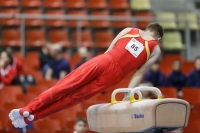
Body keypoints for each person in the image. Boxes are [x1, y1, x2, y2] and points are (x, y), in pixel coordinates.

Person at [9, 22, 164, 128]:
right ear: (158, 38)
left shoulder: (129, 30)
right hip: (113, 77)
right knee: (71, 99)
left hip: (103, 60)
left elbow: (109, 50)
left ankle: (28, 109)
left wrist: (102, 63)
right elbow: (139, 73)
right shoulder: (155, 49)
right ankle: (33, 117)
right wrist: (127, 95)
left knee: (63, 86)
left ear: (147, 28)